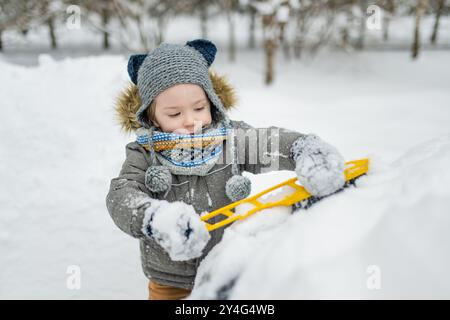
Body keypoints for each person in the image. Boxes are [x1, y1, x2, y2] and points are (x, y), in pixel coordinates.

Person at [106, 39, 346, 300]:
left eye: (199, 107)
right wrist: (153, 218)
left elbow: (271, 143)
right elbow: (121, 195)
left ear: (211, 102)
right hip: (169, 280)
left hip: (227, 268)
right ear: (151, 117)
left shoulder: (230, 139)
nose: (190, 120)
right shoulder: (142, 154)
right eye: (174, 114)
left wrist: (304, 149)